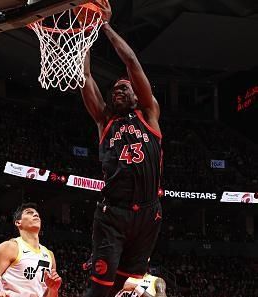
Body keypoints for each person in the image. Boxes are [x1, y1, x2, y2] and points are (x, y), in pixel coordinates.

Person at [80, 1, 163, 296]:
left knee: (127, 287)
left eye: (124, 87)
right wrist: (85, 33)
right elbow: (85, 77)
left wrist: (103, 25)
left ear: (136, 95)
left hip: (148, 214)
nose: (119, 89)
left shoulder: (149, 113)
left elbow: (131, 62)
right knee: (101, 288)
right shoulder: (105, 121)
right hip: (113, 214)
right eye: (114, 88)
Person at [0, 203, 62, 297]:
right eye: (29, 213)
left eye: (37, 214)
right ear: (18, 222)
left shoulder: (50, 255)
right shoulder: (10, 247)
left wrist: (53, 289)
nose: (35, 215)